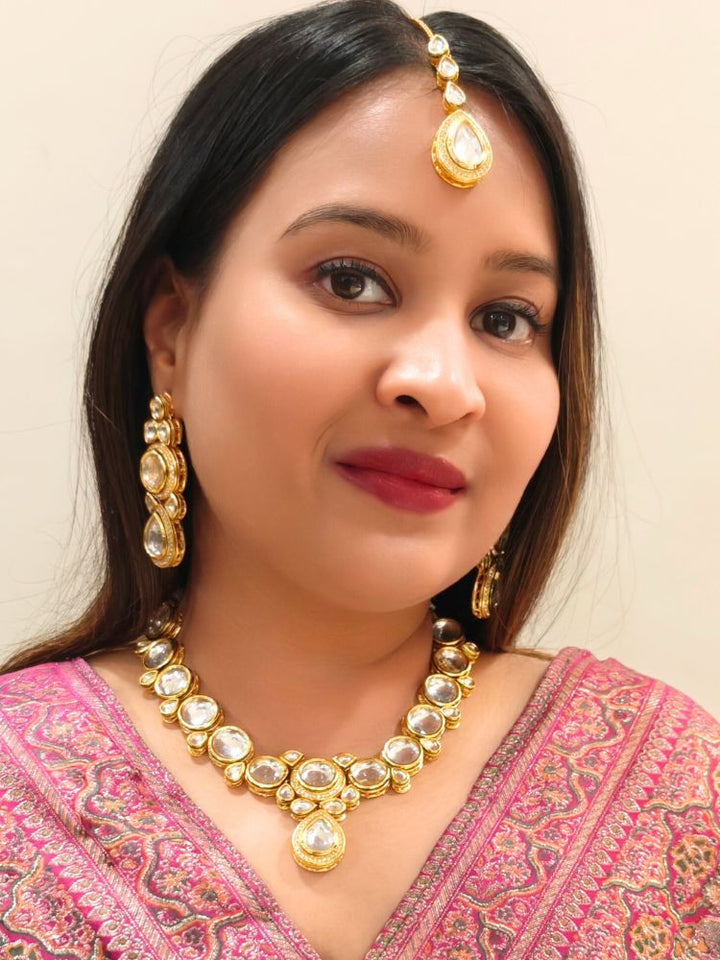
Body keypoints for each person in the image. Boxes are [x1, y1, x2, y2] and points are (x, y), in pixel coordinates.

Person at [0, 0, 718, 957]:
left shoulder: (670, 790)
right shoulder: (20, 792)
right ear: (170, 325)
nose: (443, 384)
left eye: (507, 319)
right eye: (351, 280)